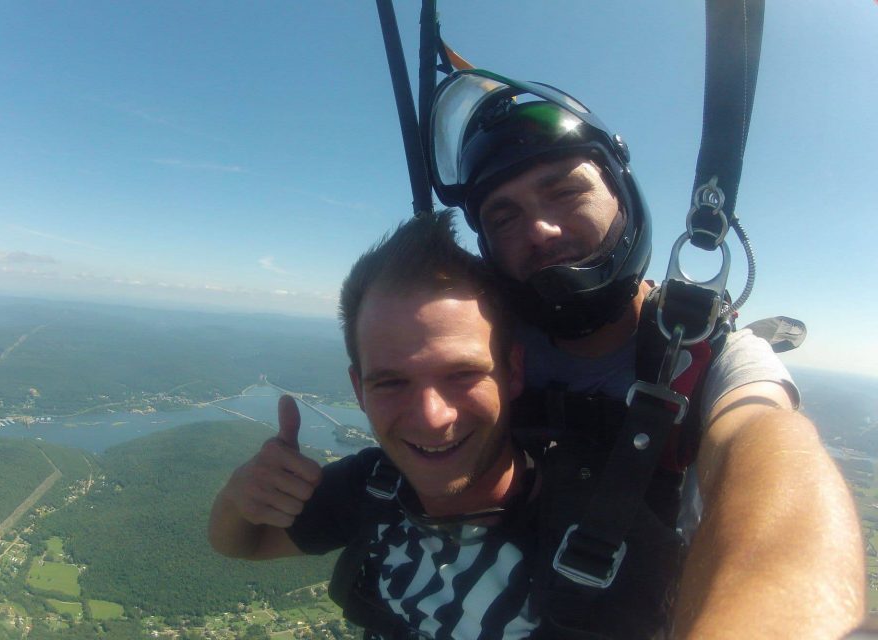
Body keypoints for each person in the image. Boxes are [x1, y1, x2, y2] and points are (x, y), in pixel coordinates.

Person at [425, 70, 865, 638]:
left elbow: (769, 452)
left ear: (623, 198)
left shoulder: (711, 359)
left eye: (564, 190)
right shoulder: (485, 346)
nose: (538, 228)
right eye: (503, 217)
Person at [209, 211, 684, 639]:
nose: (432, 417)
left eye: (462, 375)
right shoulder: (373, 486)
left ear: (512, 372)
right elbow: (243, 542)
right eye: (391, 382)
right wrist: (238, 496)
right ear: (359, 390)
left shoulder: (612, 545)